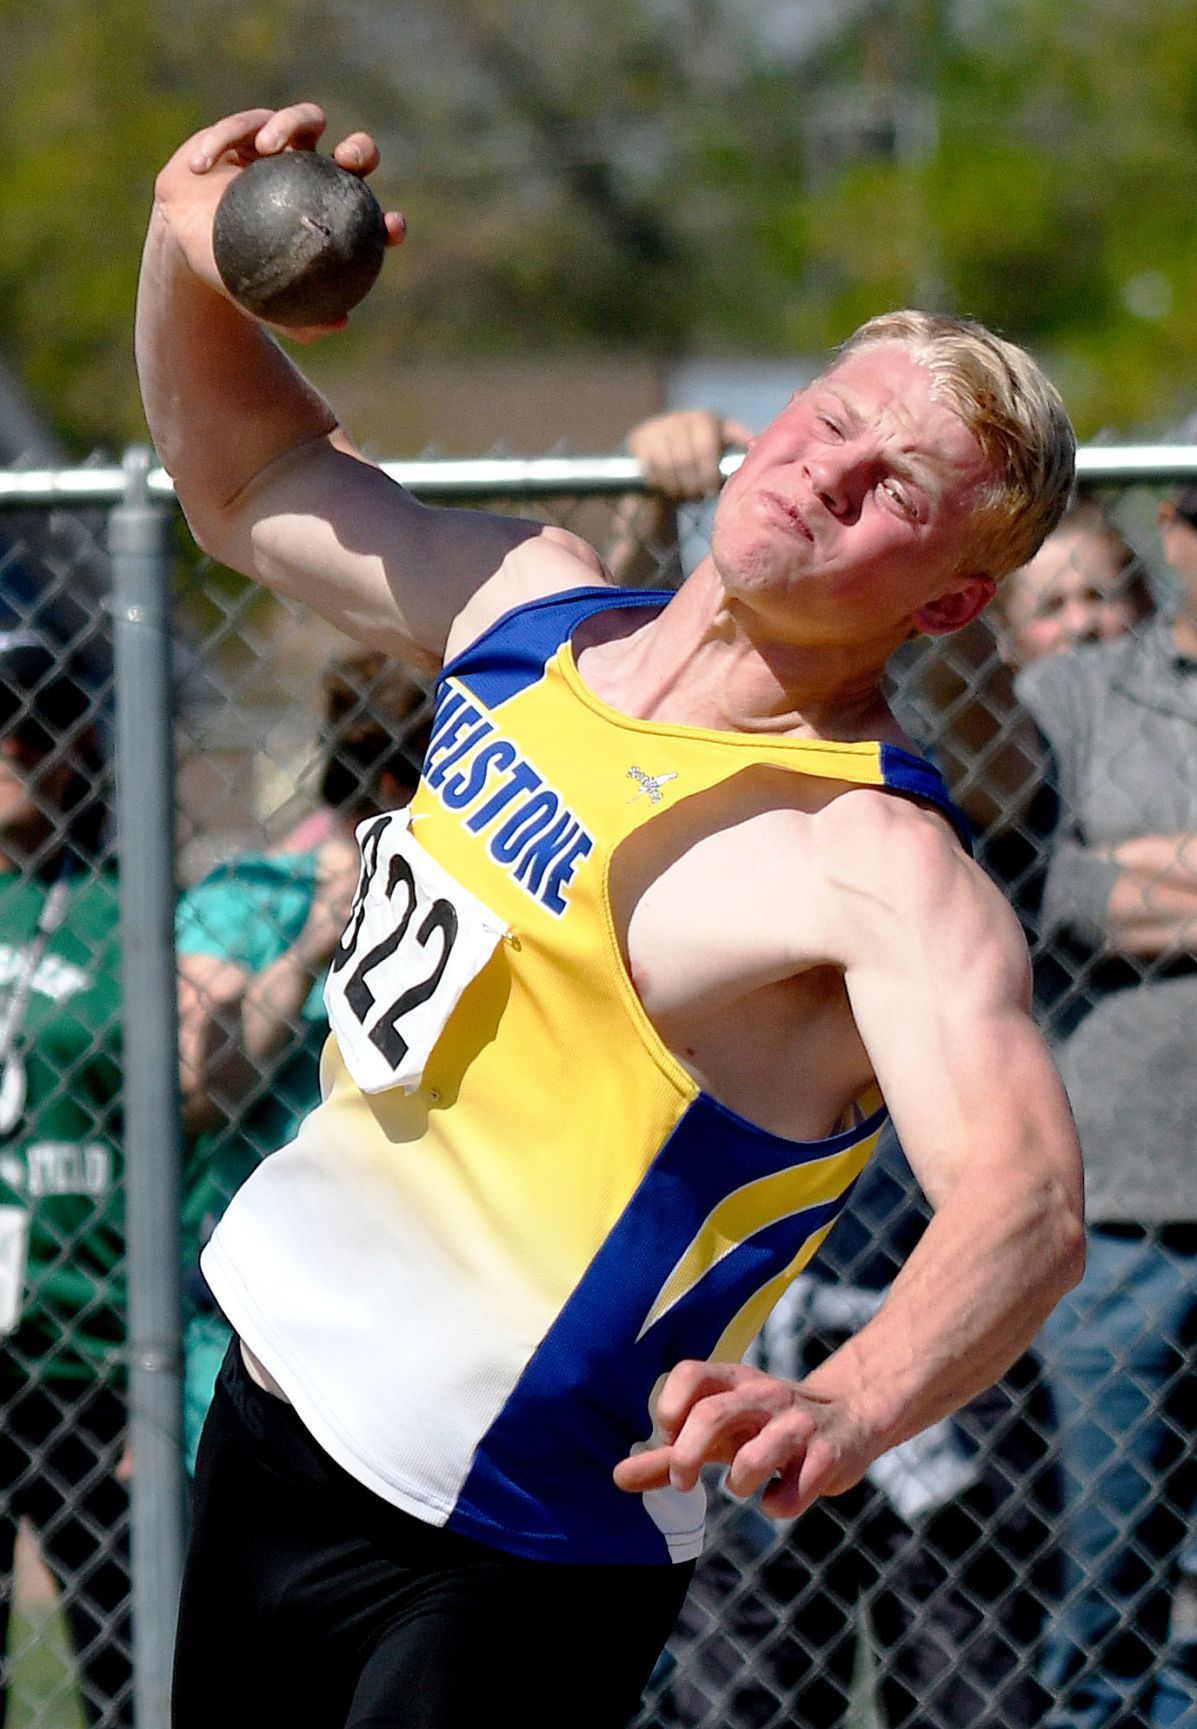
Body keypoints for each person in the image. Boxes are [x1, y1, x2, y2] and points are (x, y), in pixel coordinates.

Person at [136, 103, 1085, 1729]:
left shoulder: (865, 857)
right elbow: (254, 480)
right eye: (824, 419)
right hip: (276, 1420)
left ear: (947, 597)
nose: (823, 471)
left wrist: (846, 1399)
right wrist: (181, 244)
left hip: (504, 1544)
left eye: (891, 484)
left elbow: (1025, 1197)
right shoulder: (530, 611)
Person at [1015, 483, 1197, 1728]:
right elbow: (1046, 881)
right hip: (1126, 1205)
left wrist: (1153, 875)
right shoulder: (1074, 692)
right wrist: (1107, 882)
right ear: (1180, 533)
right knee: (1105, 1602)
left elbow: (1108, 878)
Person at [175, 649, 431, 1469]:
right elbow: (202, 1089)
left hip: (420, 1311)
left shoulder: (482, 920)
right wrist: (317, 939)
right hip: (256, 1316)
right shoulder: (250, 897)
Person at [0, 628, 130, 1728]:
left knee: (129, 1670)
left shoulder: (129, 910)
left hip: (93, 1355)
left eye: (33, 725)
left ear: (81, 743)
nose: (8, 747)